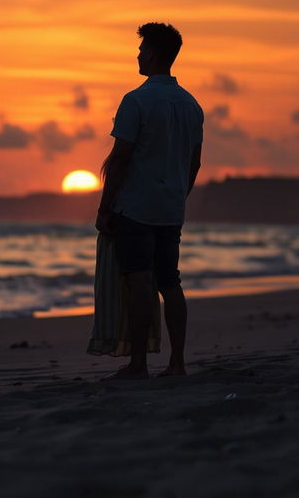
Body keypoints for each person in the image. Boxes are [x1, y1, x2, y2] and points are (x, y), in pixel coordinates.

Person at [96, 22, 204, 380]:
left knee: (141, 282)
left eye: (142, 49)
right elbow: (194, 162)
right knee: (169, 282)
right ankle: (177, 363)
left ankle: (139, 363)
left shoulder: (136, 100)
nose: (138, 55)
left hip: (137, 207)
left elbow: (121, 158)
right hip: (171, 207)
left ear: (154, 53)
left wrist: (105, 207)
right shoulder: (191, 104)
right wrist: (178, 196)